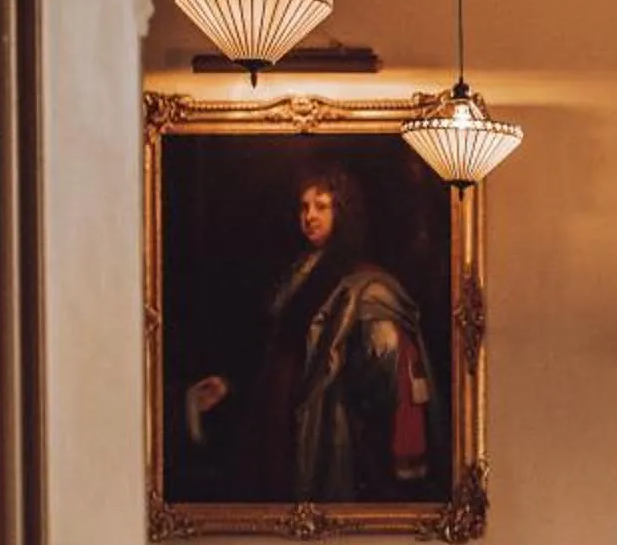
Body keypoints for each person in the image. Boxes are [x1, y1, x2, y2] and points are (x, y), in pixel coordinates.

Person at [185, 164, 434, 503]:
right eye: (304, 207)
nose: (309, 216)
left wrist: (342, 401)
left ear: (343, 211)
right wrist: (232, 385)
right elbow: (274, 347)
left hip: (325, 425)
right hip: (275, 416)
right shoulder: (298, 271)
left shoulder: (366, 284)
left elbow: (384, 370)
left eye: (321, 206)